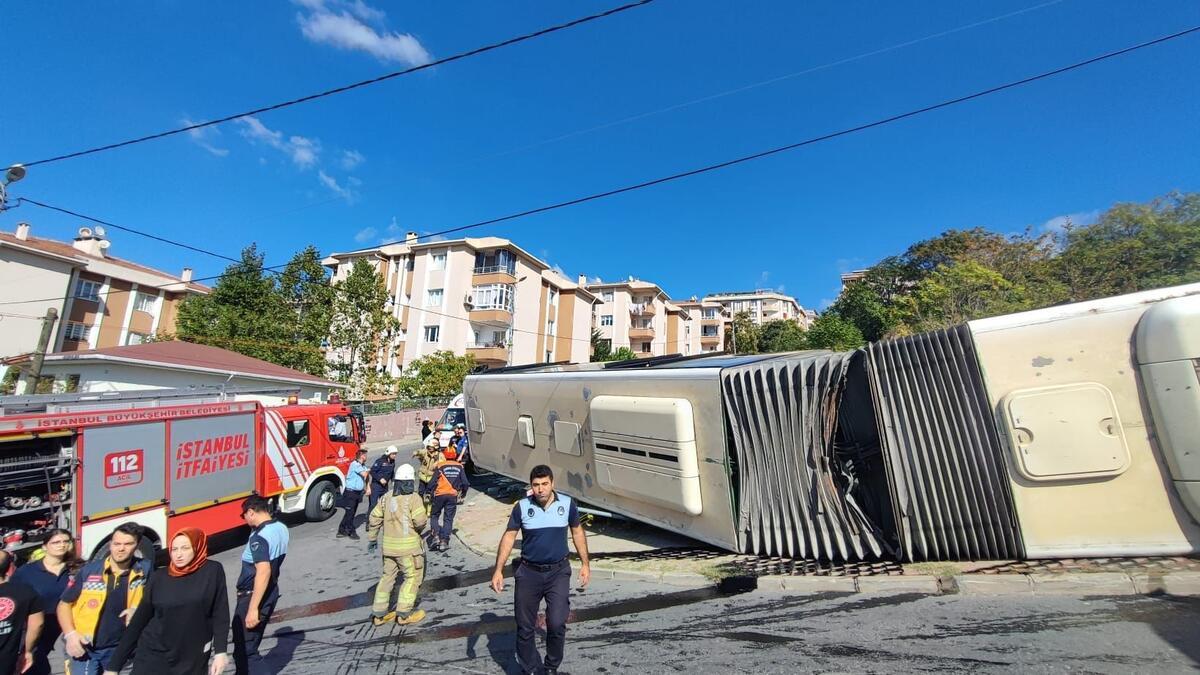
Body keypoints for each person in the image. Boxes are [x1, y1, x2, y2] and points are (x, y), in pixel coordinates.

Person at [490, 465, 591, 675]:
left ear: (552, 484)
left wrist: (585, 564)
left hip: (558, 572)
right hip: (529, 573)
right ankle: (532, 669)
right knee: (525, 626)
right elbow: (509, 536)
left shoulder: (567, 504)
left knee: (556, 622)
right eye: (536, 485)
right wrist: (498, 570)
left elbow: (577, 532)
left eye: (545, 484)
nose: (540, 489)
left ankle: (552, 665)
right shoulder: (522, 507)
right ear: (531, 486)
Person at [103, 529, 230, 675]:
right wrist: (113, 667)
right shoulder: (159, 577)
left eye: (185, 548)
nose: (179, 554)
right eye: (174, 549)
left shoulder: (212, 571)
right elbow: (138, 622)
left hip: (192, 656)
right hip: (153, 655)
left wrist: (221, 652)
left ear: (197, 547)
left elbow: (220, 613)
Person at [59, 522, 152, 675]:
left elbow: (154, 600)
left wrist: (137, 610)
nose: (121, 549)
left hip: (122, 649)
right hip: (85, 648)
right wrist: (70, 635)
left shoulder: (145, 570)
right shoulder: (90, 570)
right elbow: (64, 605)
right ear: (110, 544)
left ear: (137, 545)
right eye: (117, 543)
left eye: (128, 544)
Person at [365, 463, 429, 626]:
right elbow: (420, 521)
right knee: (412, 578)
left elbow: (374, 518)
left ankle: (379, 614)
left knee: (387, 578)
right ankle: (404, 614)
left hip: (388, 549)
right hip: (408, 550)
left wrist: (372, 539)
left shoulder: (386, 497)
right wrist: (417, 531)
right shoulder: (413, 498)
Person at [233, 496, 289, 675]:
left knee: (246, 651)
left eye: (245, 517)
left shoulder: (259, 537)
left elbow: (263, 571)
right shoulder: (281, 528)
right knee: (248, 646)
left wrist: (253, 608)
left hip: (253, 595)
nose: (246, 521)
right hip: (271, 591)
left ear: (251, 512)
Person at [13, 529, 79, 675]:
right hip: (36, 627)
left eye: (65, 541)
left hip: (67, 626)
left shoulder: (77, 569)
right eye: (56, 542)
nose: (61, 545)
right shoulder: (27, 572)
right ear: (44, 546)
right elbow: (15, 599)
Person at [0, 549, 44, 675]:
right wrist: (28, 651)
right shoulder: (26, 592)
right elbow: (37, 624)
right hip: (6, 660)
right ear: (9, 568)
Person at [428, 447, 470, 552]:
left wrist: (428, 492)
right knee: (448, 518)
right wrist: (463, 493)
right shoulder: (459, 466)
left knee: (434, 515)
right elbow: (465, 483)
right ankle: (444, 541)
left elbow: (433, 482)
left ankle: (436, 536)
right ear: (455, 456)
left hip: (439, 494)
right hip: (452, 496)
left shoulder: (440, 466)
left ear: (445, 456)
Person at [338, 449, 370, 539]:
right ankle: (350, 531)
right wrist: (370, 470)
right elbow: (365, 474)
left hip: (357, 493)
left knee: (350, 512)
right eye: (365, 455)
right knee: (350, 512)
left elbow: (367, 476)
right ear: (362, 456)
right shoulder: (355, 464)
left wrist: (368, 487)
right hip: (350, 493)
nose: (366, 457)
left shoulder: (362, 465)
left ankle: (341, 529)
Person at [368, 446, 398, 513]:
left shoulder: (393, 462)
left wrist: (393, 480)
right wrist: (380, 479)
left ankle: (382, 520)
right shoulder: (380, 461)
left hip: (385, 487)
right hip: (376, 486)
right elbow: (372, 471)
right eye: (393, 454)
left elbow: (392, 472)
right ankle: (369, 520)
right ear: (388, 453)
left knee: (384, 504)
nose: (395, 455)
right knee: (373, 505)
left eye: (395, 454)